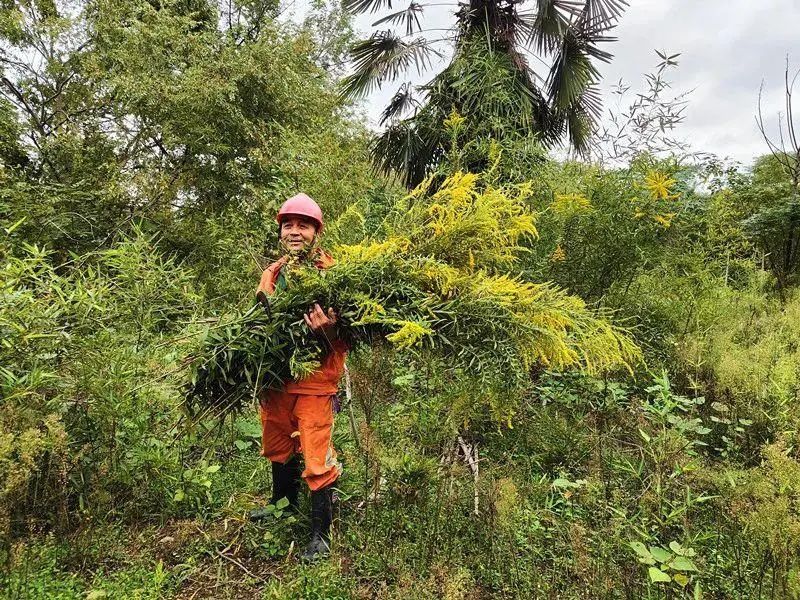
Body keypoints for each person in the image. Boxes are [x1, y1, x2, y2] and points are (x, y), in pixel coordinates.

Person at [249, 192, 347, 561]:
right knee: (277, 441)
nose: (294, 231)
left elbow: (348, 335)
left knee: (315, 451)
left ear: (315, 233)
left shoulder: (333, 273)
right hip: (276, 381)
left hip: (315, 382)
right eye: (288, 225)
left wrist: (328, 332)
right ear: (279, 233)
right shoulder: (272, 273)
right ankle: (283, 504)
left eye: (302, 225)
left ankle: (321, 533)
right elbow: (259, 323)